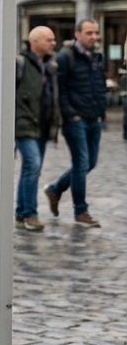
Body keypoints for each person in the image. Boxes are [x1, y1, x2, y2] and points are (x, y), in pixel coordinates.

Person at [45, 18, 106, 227]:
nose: (94, 37)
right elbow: (59, 89)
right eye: (89, 33)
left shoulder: (97, 57)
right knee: (81, 162)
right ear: (77, 34)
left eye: (96, 33)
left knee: (91, 162)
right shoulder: (65, 57)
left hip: (94, 117)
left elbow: (99, 85)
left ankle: (55, 189)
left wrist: (101, 112)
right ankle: (81, 211)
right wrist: (70, 114)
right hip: (75, 120)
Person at [14, 26, 60, 232]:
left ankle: (21, 212)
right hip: (24, 123)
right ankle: (30, 214)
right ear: (35, 42)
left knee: (32, 168)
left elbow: (53, 96)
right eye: (49, 40)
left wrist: (55, 123)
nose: (53, 43)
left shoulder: (49, 65)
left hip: (42, 124)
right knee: (32, 164)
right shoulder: (20, 63)